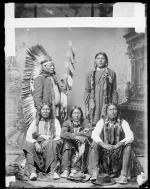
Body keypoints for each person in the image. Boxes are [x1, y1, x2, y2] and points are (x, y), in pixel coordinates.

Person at [88, 103, 147, 185]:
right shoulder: (101, 121)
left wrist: (118, 144)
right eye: (110, 109)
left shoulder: (123, 122)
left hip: (118, 153)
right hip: (104, 153)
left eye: (114, 109)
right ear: (106, 111)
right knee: (95, 143)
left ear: (118, 111)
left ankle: (123, 175)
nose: (112, 111)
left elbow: (130, 136)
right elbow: (94, 134)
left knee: (128, 145)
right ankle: (95, 171)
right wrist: (103, 144)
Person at [22, 103, 62, 180]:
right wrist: (36, 143)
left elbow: (58, 136)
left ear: (50, 111)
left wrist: (49, 140)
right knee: (28, 144)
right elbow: (29, 136)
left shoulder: (55, 121)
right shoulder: (35, 121)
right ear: (40, 111)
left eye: (47, 109)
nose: (45, 111)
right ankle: (32, 172)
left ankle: (53, 171)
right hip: (38, 145)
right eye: (43, 109)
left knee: (52, 143)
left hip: (50, 144)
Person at [84, 52, 118, 127]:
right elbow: (87, 91)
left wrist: (113, 105)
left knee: (106, 122)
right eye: (98, 58)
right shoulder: (89, 74)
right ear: (95, 61)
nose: (100, 60)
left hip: (106, 102)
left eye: (102, 58)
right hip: (94, 103)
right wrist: (87, 106)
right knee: (94, 122)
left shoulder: (111, 73)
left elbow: (114, 91)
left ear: (106, 61)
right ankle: (95, 137)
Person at [60, 106, 92, 179]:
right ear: (71, 115)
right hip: (71, 144)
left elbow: (89, 134)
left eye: (78, 113)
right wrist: (77, 136)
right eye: (74, 113)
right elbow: (63, 134)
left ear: (81, 114)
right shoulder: (67, 123)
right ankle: (65, 170)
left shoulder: (85, 122)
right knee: (67, 143)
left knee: (83, 144)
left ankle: (76, 169)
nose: (76, 115)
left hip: (82, 145)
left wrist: (74, 135)